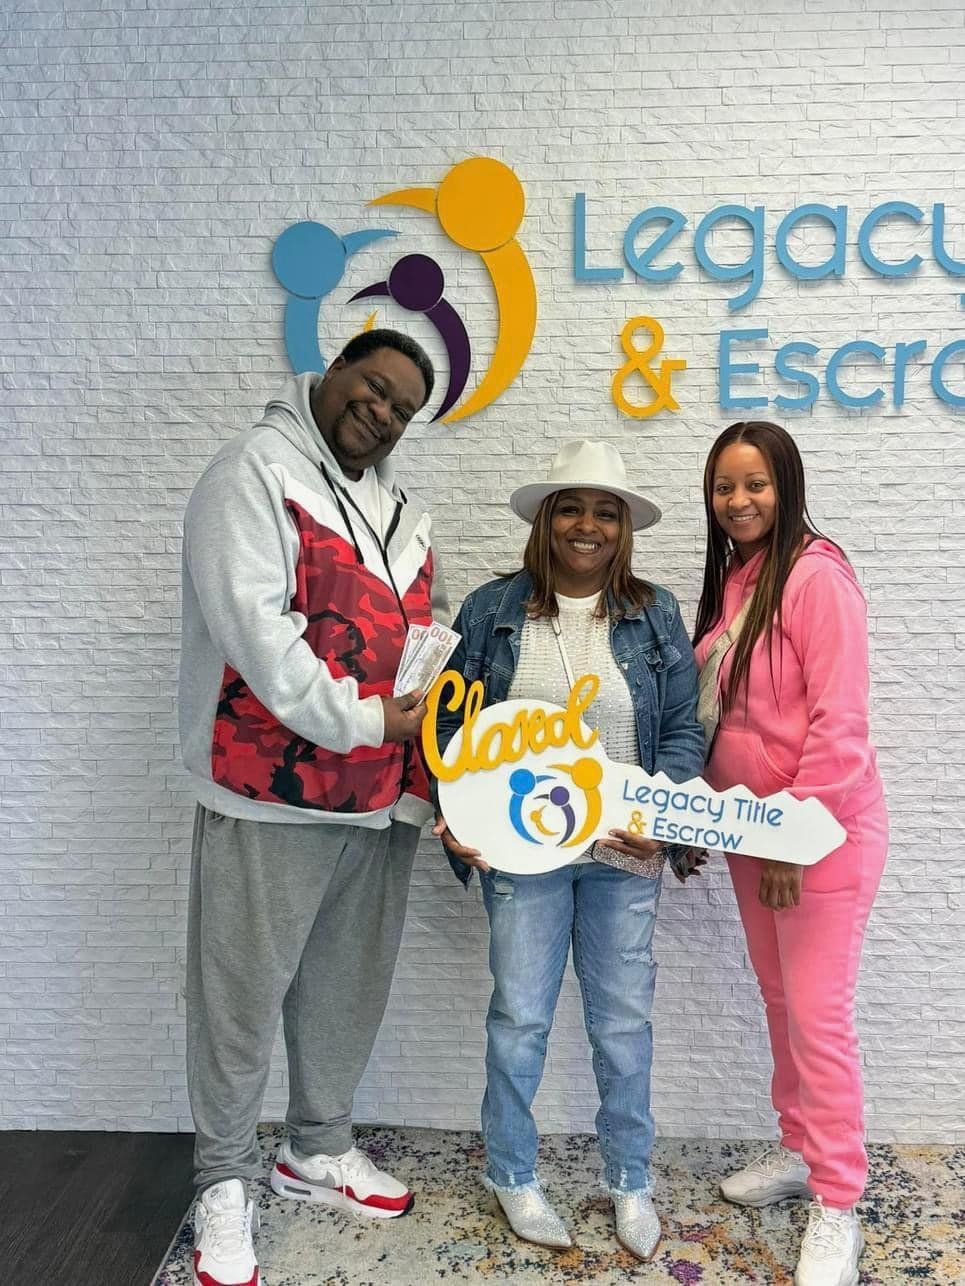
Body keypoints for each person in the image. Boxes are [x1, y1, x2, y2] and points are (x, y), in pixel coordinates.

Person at [178, 329, 448, 1286]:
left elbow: (426, 636)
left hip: (380, 796)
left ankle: (316, 1146)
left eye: (402, 409)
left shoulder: (404, 508)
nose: (381, 412)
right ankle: (224, 1178)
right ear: (330, 373)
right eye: (372, 388)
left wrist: (427, 765)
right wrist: (373, 714)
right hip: (269, 790)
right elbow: (260, 638)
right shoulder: (250, 473)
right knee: (239, 998)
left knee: (345, 986)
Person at [432, 440, 704, 1261]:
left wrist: (661, 812)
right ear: (547, 520)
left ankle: (629, 1181)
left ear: (623, 529)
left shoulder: (653, 614)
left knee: (621, 1024)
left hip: (623, 852)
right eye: (572, 508)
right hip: (521, 855)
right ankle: (511, 1173)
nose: (587, 524)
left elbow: (685, 731)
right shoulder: (490, 611)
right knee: (519, 1018)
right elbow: (448, 727)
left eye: (605, 511)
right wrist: (456, 812)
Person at [693, 421, 887, 1286]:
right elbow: (726, 720)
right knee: (780, 1001)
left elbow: (838, 728)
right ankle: (801, 1151)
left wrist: (792, 835)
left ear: (787, 485)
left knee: (817, 1014)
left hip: (818, 840)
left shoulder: (816, 577)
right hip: (752, 839)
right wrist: (701, 823)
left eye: (755, 484)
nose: (738, 501)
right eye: (725, 487)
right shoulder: (738, 581)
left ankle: (837, 1202)